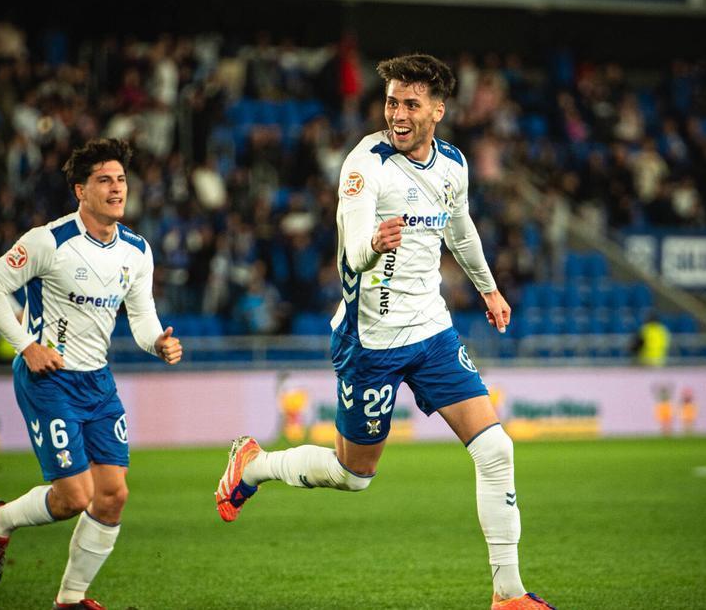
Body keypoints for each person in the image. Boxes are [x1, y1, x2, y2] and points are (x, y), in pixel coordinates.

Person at [213, 54, 554, 609]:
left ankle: (508, 595)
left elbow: (460, 228)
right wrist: (374, 246)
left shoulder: (452, 165)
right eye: (392, 101)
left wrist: (489, 288)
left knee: (495, 448)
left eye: (410, 103)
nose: (397, 113)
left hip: (433, 332)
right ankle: (254, 463)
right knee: (354, 475)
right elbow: (348, 250)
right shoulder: (365, 165)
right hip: (369, 341)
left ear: (438, 111)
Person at [0, 138, 182, 610]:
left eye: (121, 180)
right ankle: (0, 521)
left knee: (112, 496)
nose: (116, 189)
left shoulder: (136, 250)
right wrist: (27, 346)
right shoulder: (48, 241)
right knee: (75, 497)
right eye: (104, 180)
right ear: (79, 191)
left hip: (98, 382)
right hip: (51, 380)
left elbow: (142, 317)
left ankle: (70, 598)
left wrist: (158, 343)